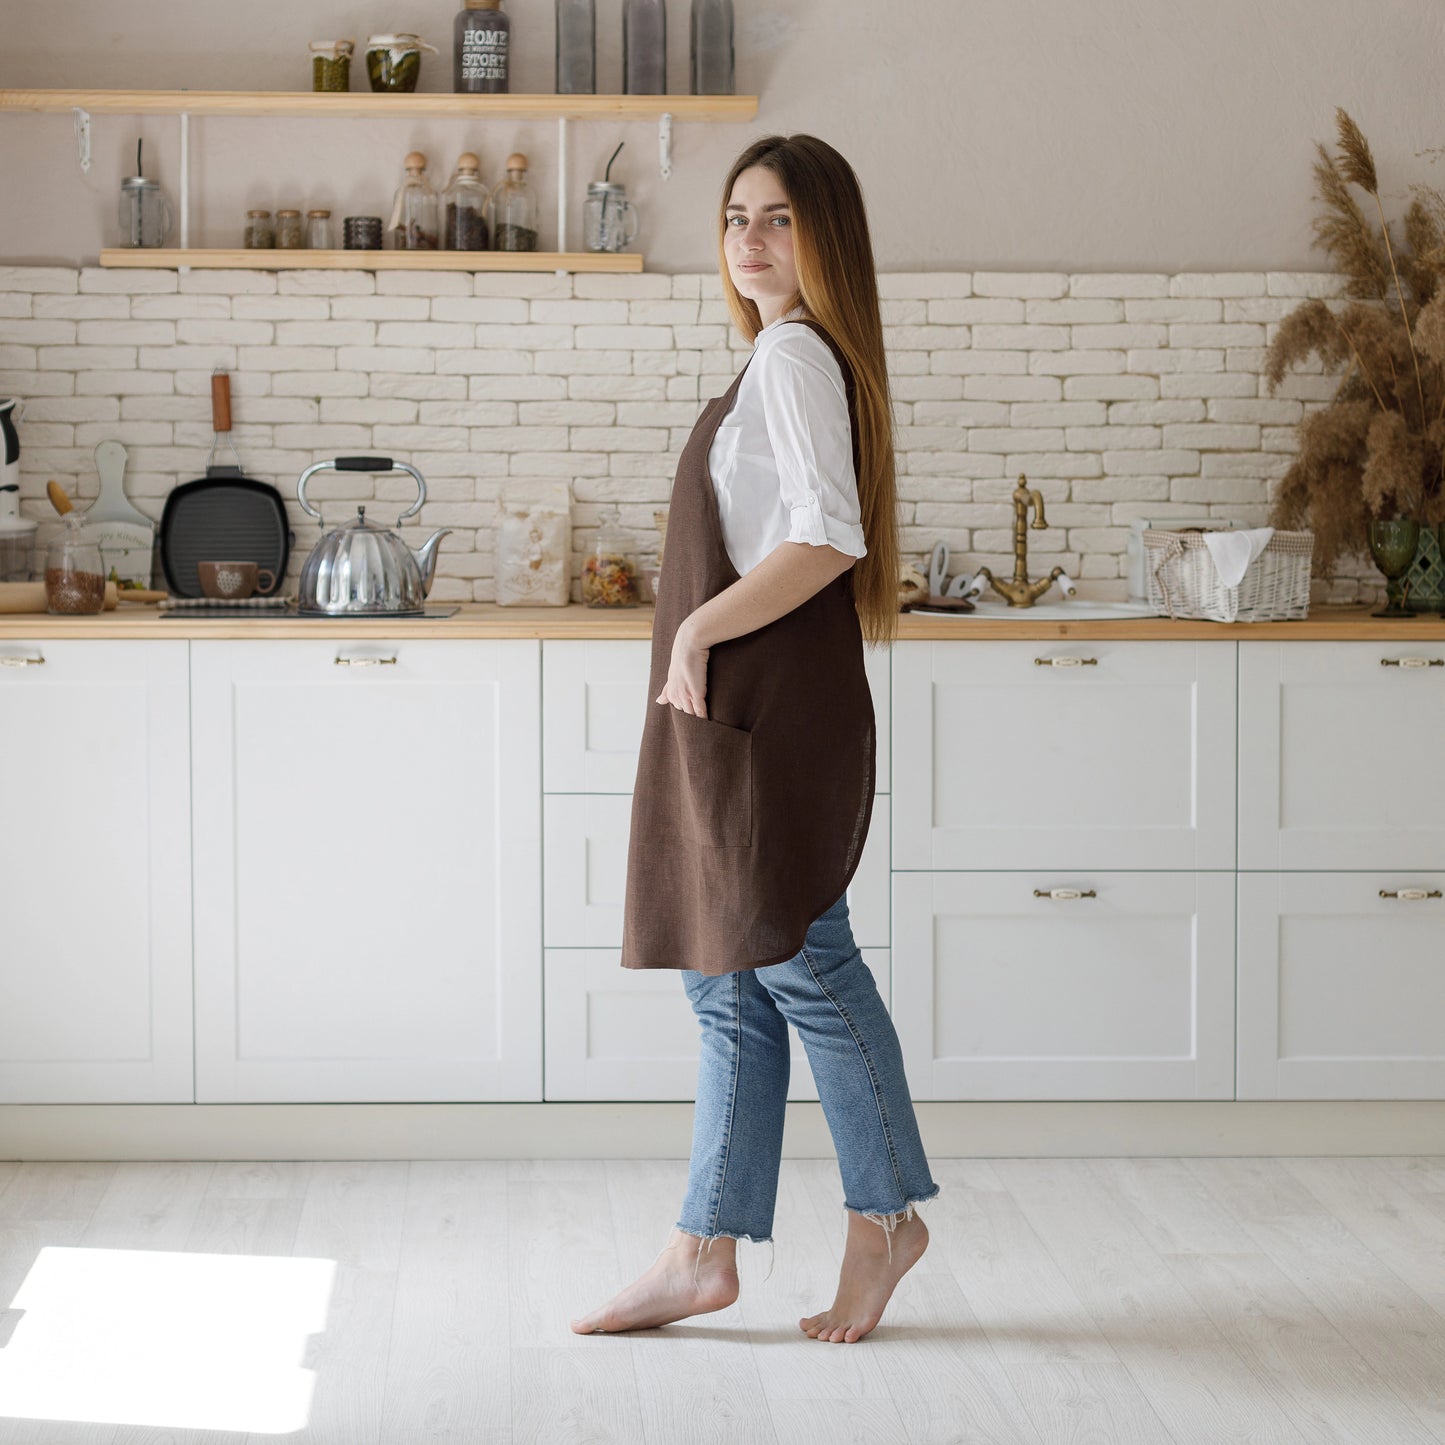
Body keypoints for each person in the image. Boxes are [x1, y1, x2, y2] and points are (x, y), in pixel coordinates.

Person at [570, 134, 940, 1346]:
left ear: (822, 237)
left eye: (778, 219)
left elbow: (824, 540)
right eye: (736, 217)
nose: (749, 241)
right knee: (727, 977)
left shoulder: (790, 358)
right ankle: (702, 1248)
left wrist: (694, 637)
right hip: (742, 705)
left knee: (797, 962)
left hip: (761, 708)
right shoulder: (779, 360)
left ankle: (881, 1217)